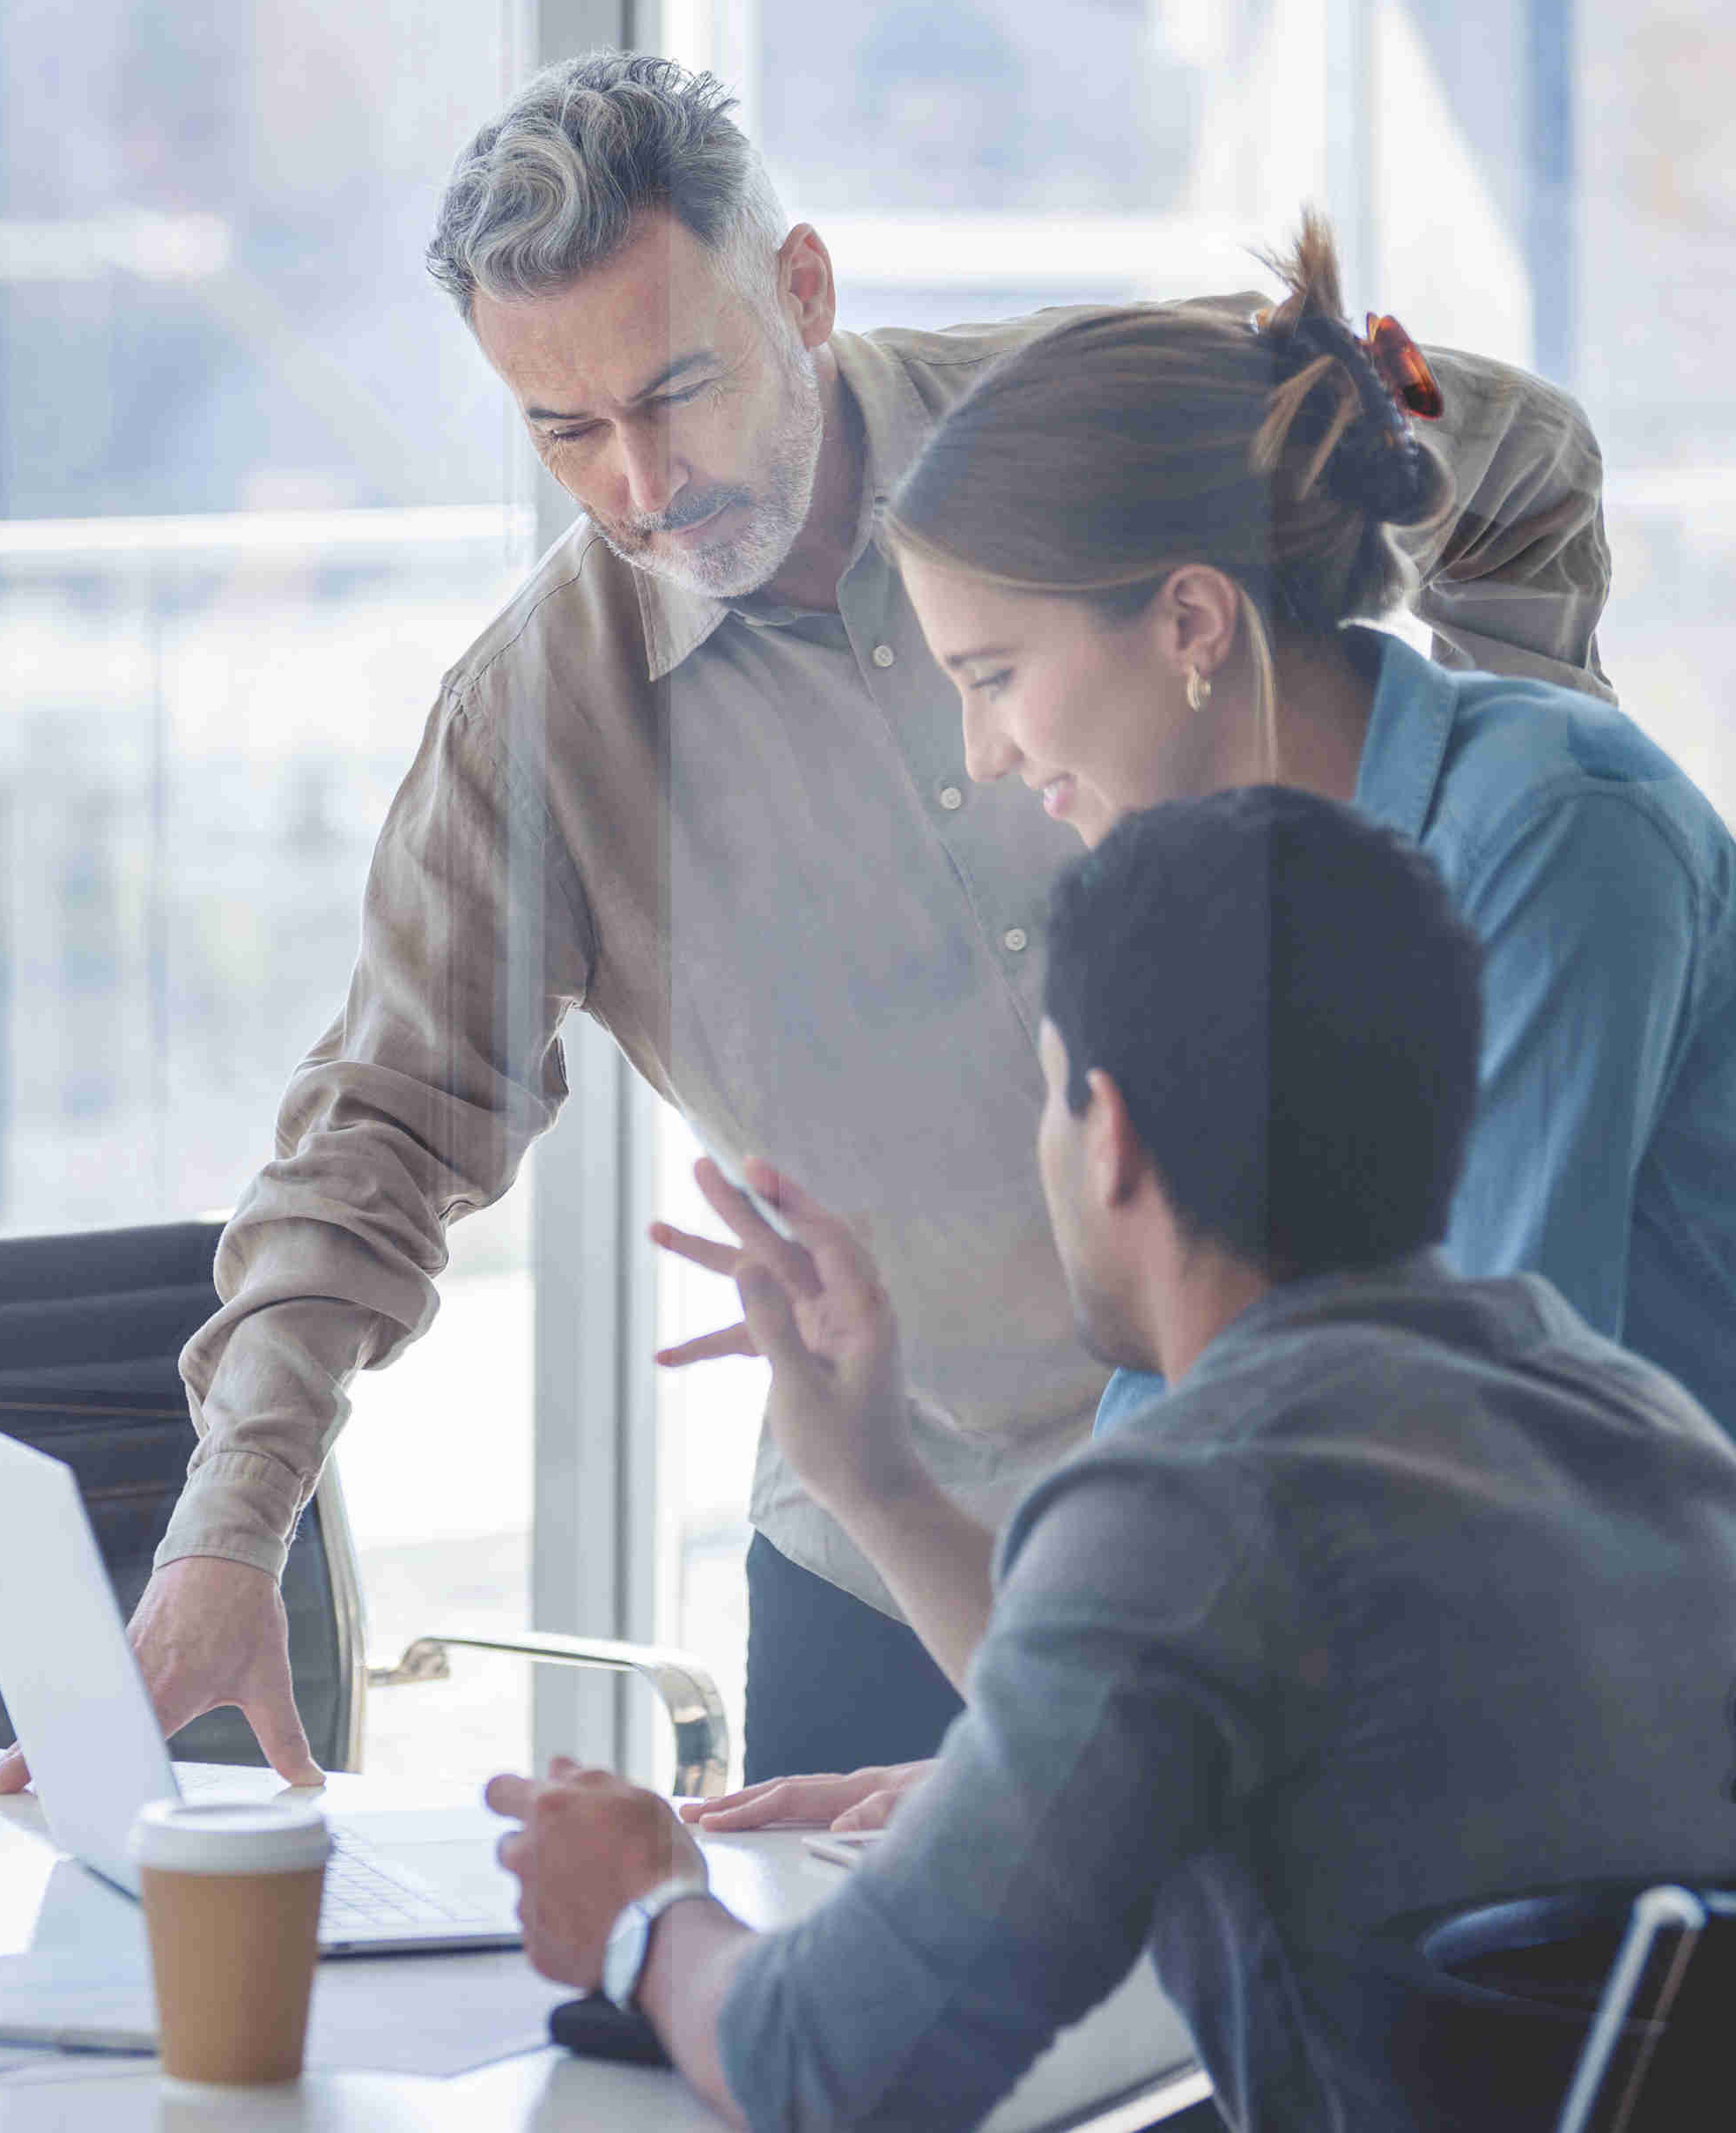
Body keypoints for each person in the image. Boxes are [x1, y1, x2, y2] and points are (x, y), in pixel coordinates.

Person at [0, 57, 1620, 1798]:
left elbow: (1503, 434)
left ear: (805, 291)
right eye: (563, 431)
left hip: (1295, 1495)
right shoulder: (542, 720)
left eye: (676, 390)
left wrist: (1484, 812)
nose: (640, 484)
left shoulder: (1092, 432)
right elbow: (372, 1140)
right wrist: (228, 1532)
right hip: (900, 1563)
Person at [679, 212, 1736, 1833]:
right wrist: (1002, 1756)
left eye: (997, 672)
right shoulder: (1228, 919)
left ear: (1189, 626)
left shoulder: (1565, 835)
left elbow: (1458, 1451)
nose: (981, 753)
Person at [490, 788, 1736, 2133]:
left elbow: (833, 2064)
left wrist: (639, 1917)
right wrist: (878, 1476)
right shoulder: (1653, 1441)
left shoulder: (1197, 1503)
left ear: (1112, 1132)